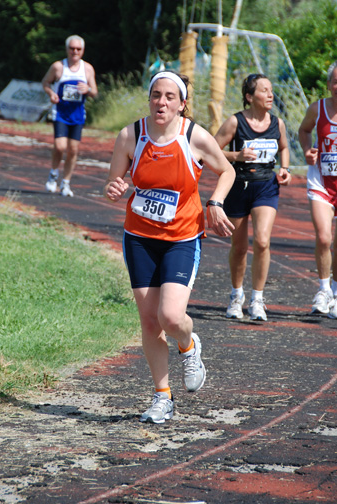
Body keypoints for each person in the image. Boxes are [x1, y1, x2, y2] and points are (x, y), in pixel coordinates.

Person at [104, 70, 235, 424]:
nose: (161, 102)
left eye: (169, 97)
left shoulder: (194, 136)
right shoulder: (130, 135)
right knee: (149, 323)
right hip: (140, 238)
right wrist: (115, 189)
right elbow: (115, 182)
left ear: (181, 104)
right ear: (149, 99)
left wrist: (216, 203)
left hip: (182, 238)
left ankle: (189, 345)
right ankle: (162, 397)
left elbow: (227, 172)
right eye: (156, 95)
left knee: (172, 317)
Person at [214, 73, 292, 322]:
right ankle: (237, 295)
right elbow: (212, 150)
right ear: (249, 97)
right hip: (237, 187)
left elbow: (284, 147)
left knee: (262, 241)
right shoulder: (235, 123)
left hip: (266, 187)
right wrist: (236, 156)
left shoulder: (277, 123)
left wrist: (285, 168)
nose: (270, 95)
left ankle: (257, 299)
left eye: (271, 90)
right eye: (264, 91)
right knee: (239, 247)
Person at [298, 60, 337, 320]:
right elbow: (304, 130)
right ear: (328, 84)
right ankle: (323, 291)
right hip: (321, 182)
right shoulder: (318, 108)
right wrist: (306, 150)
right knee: (324, 238)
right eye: (335, 81)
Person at [42, 35, 98, 197]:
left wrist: (87, 89)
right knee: (60, 146)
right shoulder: (58, 67)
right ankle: (53, 174)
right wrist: (51, 93)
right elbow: (45, 82)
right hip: (60, 113)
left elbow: (95, 92)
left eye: (78, 49)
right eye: (72, 48)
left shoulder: (87, 69)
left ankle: (65, 183)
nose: (75, 52)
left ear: (83, 51)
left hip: (78, 115)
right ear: (67, 49)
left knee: (73, 150)